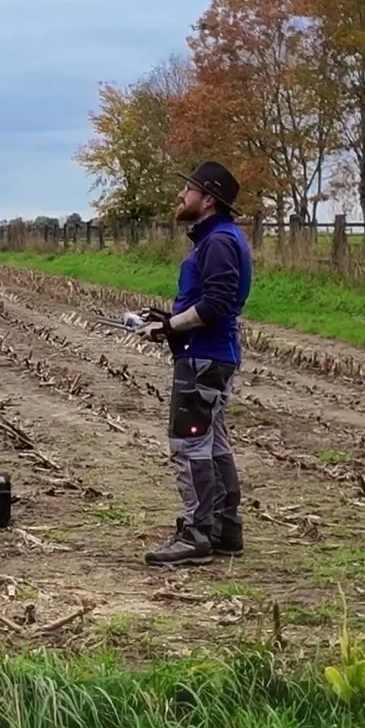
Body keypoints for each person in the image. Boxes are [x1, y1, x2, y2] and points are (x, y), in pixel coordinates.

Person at [132, 160, 253, 567]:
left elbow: (216, 304)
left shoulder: (218, 241)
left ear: (208, 200)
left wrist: (170, 328)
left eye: (190, 190)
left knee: (189, 445)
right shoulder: (217, 239)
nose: (181, 196)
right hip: (210, 356)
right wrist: (168, 321)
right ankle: (224, 531)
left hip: (203, 358)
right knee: (213, 443)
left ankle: (197, 533)